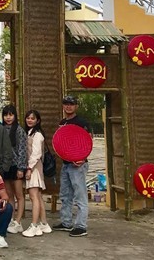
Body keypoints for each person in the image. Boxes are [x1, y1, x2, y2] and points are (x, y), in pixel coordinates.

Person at [53, 95, 90, 237]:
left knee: (80, 195)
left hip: (78, 165)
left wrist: (82, 157)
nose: (68, 106)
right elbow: (61, 142)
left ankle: (81, 226)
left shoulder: (81, 122)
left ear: (76, 106)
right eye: (66, 104)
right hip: (66, 164)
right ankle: (66, 222)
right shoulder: (62, 123)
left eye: (71, 104)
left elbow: (87, 141)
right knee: (65, 194)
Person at [22, 109, 51, 237]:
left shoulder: (37, 135)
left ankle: (34, 225)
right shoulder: (30, 133)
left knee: (34, 197)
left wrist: (29, 168)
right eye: (28, 118)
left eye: (32, 118)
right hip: (34, 168)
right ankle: (44, 224)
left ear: (37, 120)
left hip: (34, 168)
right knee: (38, 197)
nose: (29, 120)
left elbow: (36, 154)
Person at [1, 104, 27, 234]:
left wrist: (21, 168)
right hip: (6, 166)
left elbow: (23, 150)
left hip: (16, 166)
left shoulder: (19, 130)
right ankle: (10, 219)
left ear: (15, 116)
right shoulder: (1, 129)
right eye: (6, 115)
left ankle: (18, 221)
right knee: (9, 195)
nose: (8, 117)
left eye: (11, 115)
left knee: (19, 195)